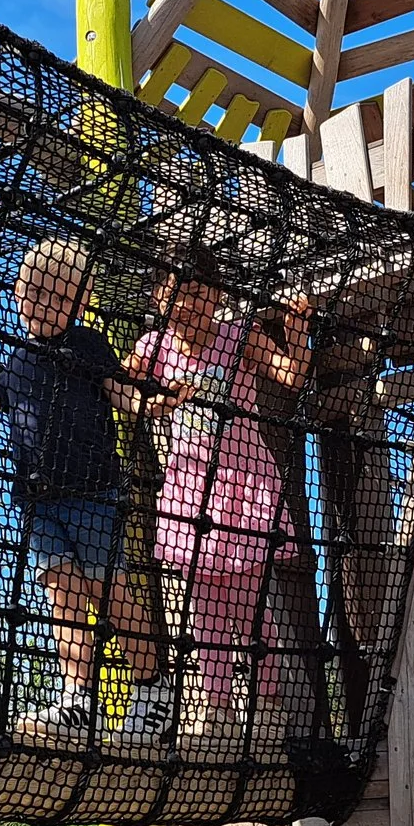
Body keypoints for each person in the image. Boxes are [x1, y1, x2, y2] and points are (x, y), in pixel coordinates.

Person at [0, 238, 189, 744]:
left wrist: (149, 408)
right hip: (38, 498)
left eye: (52, 296)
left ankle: (154, 692)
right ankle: (76, 702)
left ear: (79, 300)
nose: (37, 305)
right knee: (62, 593)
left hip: (91, 490)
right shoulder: (19, 358)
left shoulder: (85, 345)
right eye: (29, 294)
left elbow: (121, 394)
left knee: (109, 592)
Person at [128, 249, 316, 756]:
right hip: (191, 492)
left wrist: (296, 326)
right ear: (158, 300)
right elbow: (120, 389)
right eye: (175, 296)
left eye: (196, 294)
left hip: (245, 484)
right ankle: (215, 711)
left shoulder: (238, 336)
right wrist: (152, 402)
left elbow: (290, 374)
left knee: (252, 609)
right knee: (203, 612)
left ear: (215, 296)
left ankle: (268, 709)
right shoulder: (154, 347)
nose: (187, 308)